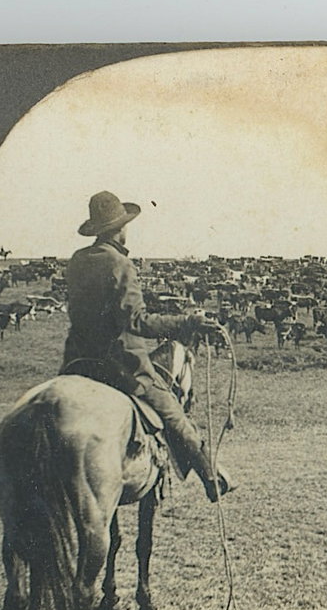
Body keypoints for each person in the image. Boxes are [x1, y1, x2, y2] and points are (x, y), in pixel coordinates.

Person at [61, 190, 234, 501]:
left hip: (76, 363)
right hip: (119, 366)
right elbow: (137, 322)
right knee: (174, 414)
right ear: (120, 228)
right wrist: (187, 322)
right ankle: (211, 476)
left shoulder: (77, 261)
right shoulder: (121, 264)